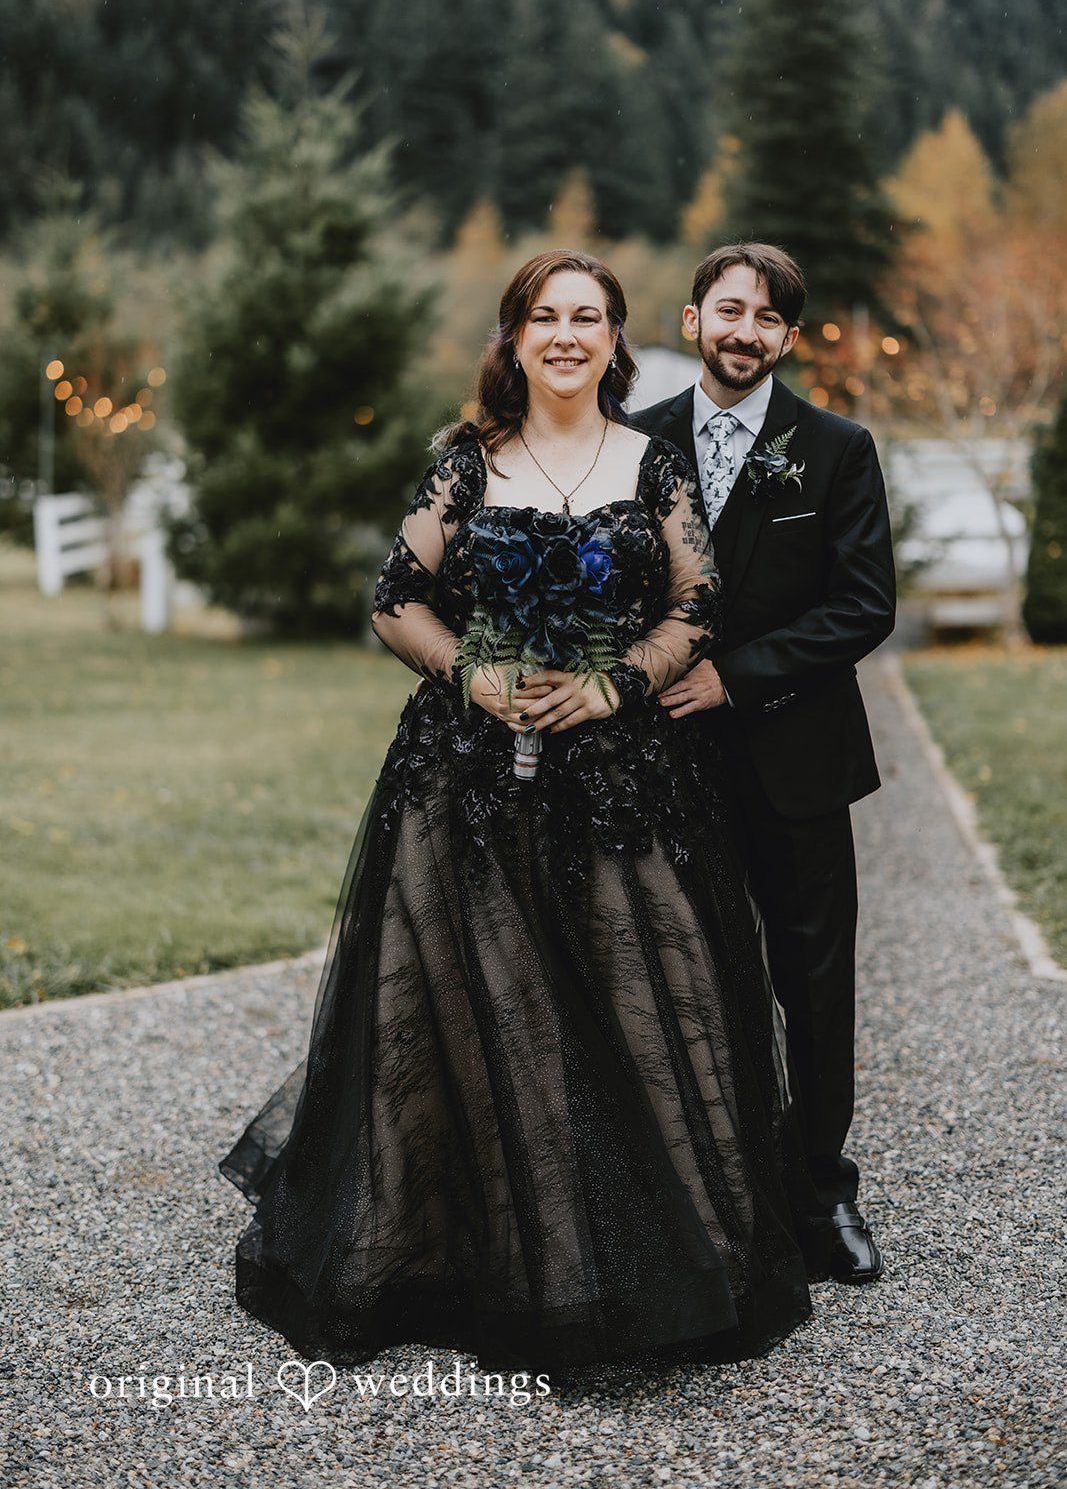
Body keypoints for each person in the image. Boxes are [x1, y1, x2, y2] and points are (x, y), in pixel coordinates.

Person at [219, 249, 828, 1380]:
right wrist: (472, 674)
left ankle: (642, 1257)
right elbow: (393, 602)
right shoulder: (463, 464)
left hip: (619, 777)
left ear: (613, 339)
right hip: (465, 775)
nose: (563, 334)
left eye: (584, 317)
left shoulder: (651, 465)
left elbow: (697, 604)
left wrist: (617, 679)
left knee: (637, 1003)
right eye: (542, 316)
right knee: (473, 1004)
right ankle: (489, 1255)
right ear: (514, 337)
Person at [629, 242, 896, 1284]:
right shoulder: (633, 442)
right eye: (725, 308)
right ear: (693, 318)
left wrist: (734, 676)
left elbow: (862, 603)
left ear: (788, 337)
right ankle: (711, 1198)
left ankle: (821, 1196)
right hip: (662, 764)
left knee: (811, 984)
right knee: (681, 982)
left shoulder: (833, 449)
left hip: (796, 758)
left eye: (765, 318)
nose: (743, 330)